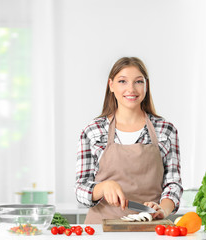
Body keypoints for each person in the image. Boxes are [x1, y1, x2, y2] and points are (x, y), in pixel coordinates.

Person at [75, 57, 183, 224]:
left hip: (150, 227)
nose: (131, 89)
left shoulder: (165, 130)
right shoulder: (93, 130)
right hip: (101, 229)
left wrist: (163, 209)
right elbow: (80, 189)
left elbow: (173, 184)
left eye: (138, 82)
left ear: (146, 86)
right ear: (111, 85)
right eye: (122, 81)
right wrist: (102, 187)